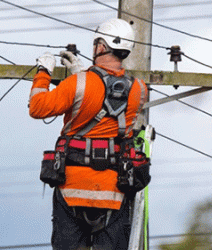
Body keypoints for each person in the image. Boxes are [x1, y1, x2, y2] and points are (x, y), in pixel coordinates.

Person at [29, 18, 151, 250]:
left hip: (71, 187)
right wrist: (83, 73)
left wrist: (44, 72)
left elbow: (38, 107)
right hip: (114, 192)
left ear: (102, 46)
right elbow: (108, 99)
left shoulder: (77, 84)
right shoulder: (139, 89)